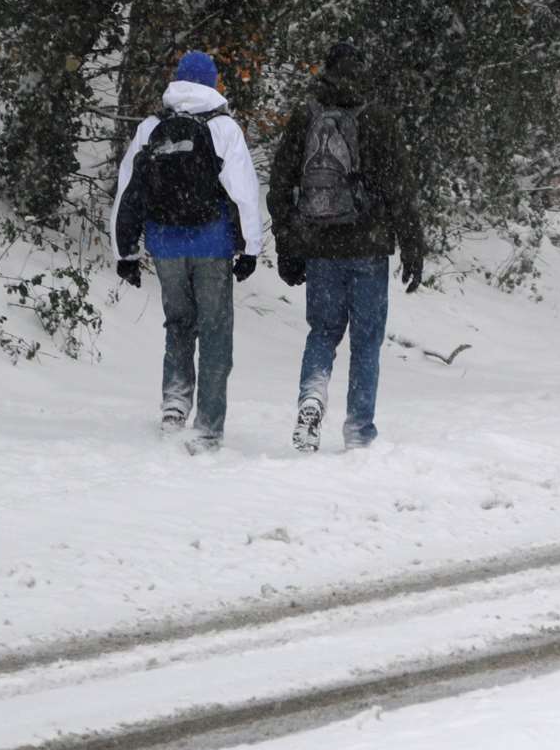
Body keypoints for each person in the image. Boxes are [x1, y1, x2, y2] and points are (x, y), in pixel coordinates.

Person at [267, 41, 426, 452]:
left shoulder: (307, 117)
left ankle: (312, 398)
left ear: (327, 71)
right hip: (369, 248)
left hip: (320, 246)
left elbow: (282, 181)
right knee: (366, 341)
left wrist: (288, 242)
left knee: (322, 332)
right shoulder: (378, 119)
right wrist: (412, 244)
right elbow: (400, 187)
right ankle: (359, 432)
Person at [110, 50, 264, 453]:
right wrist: (251, 247)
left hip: (164, 244)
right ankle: (208, 427)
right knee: (215, 331)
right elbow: (244, 193)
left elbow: (128, 190)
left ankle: (175, 406)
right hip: (212, 243)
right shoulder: (224, 129)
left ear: (177, 81)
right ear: (213, 84)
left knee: (179, 324)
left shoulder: (151, 126)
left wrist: (124, 251)